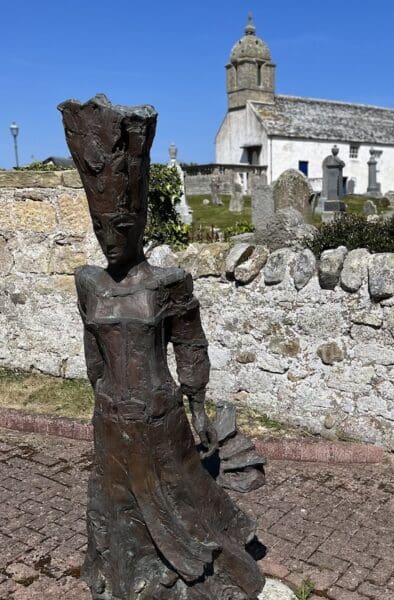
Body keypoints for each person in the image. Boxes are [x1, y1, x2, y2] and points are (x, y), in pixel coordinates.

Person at [59, 94, 264, 599]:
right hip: (111, 420)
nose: (110, 240)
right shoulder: (90, 283)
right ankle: (126, 577)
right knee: (118, 507)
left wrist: (199, 411)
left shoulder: (167, 284)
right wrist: (103, 402)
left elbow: (190, 346)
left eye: (121, 229)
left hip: (159, 419)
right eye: (101, 229)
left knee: (183, 506)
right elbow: (92, 356)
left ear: (140, 224)